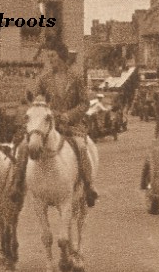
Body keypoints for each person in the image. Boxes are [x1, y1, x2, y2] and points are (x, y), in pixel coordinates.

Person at [12, 41, 99, 207]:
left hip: (72, 126)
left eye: (53, 56)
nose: (50, 59)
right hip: (48, 125)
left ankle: (88, 187)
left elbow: (84, 103)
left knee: (81, 147)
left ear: (62, 57)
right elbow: (35, 99)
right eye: (49, 56)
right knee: (24, 146)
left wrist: (70, 115)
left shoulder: (76, 78)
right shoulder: (44, 79)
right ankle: (17, 185)